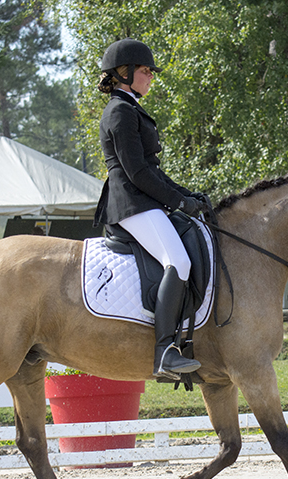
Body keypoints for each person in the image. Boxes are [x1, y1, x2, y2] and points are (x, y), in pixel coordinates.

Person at [94, 38, 210, 380]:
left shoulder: (130, 108)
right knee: (179, 261)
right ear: (125, 73)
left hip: (141, 200)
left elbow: (154, 170)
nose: (150, 77)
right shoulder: (119, 112)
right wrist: (178, 202)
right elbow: (138, 173)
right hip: (130, 204)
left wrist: (188, 195)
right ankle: (164, 352)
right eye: (145, 71)